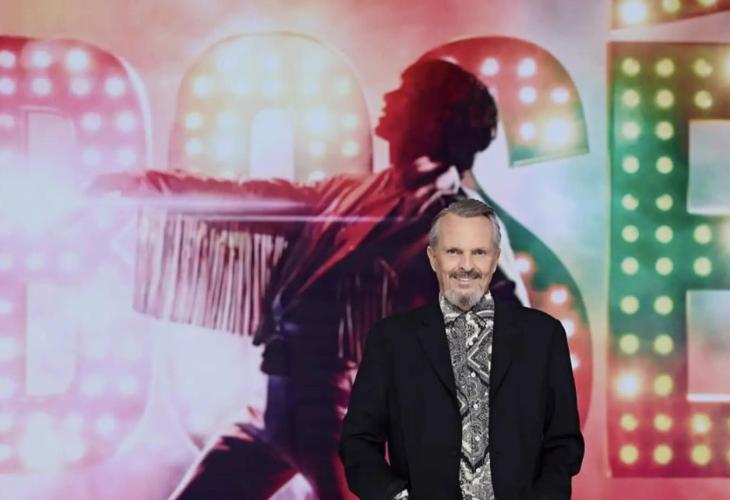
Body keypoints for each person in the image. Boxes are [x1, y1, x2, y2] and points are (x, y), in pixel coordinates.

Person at [95, 59, 526, 499]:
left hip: (342, 415)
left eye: (405, 91)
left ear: (435, 117)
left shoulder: (458, 220)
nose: (389, 97)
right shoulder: (346, 193)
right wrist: (145, 185)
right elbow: (245, 197)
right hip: (273, 406)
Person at [339, 198, 584, 500]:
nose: (466, 266)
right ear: (433, 258)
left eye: (479, 252)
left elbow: (564, 444)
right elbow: (358, 441)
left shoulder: (543, 336)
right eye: (454, 252)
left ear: (495, 259)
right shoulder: (391, 340)